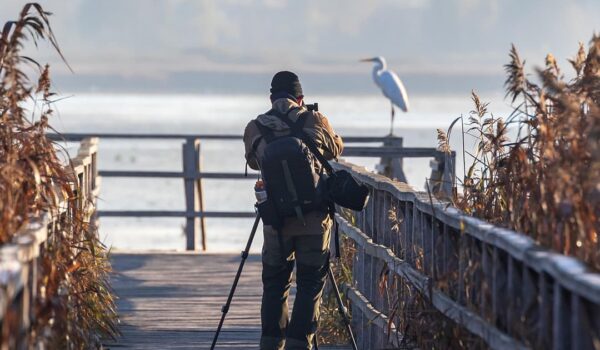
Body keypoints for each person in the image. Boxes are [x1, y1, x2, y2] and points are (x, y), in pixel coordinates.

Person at [243, 71, 344, 350]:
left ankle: (270, 344)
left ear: (271, 98)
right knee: (310, 283)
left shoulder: (255, 127)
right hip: (314, 218)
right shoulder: (314, 120)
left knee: (275, 283)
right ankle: (300, 344)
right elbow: (336, 149)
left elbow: (253, 162)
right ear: (300, 98)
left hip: (276, 219)